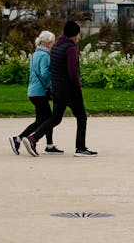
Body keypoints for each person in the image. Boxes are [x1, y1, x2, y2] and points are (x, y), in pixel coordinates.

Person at [21, 20, 96, 158]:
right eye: (77, 34)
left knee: (55, 118)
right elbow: (72, 71)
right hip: (70, 89)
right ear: (74, 34)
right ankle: (80, 148)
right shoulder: (71, 48)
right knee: (81, 117)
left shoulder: (56, 47)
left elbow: (52, 68)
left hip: (57, 89)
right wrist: (78, 84)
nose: (78, 37)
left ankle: (33, 139)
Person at [8, 30, 63, 155]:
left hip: (33, 91)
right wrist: (54, 74)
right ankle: (20, 139)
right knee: (49, 119)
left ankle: (46, 145)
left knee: (41, 121)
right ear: (47, 43)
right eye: (52, 42)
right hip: (40, 92)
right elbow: (44, 74)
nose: (53, 44)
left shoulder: (35, 54)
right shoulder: (45, 56)